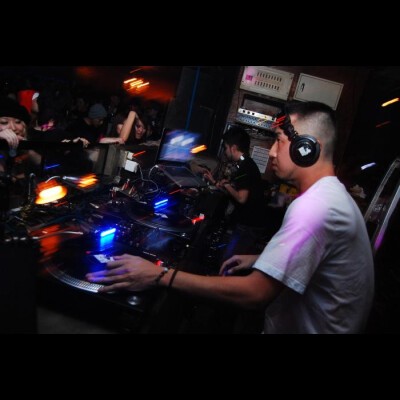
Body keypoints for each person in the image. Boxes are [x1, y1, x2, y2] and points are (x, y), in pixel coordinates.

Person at [86, 101, 375, 334]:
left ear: (306, 148)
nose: (272, 152)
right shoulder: (331, 197)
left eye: (278, 141)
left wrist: (159, 275)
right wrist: (263, 259)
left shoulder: (315, 207)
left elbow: (254, 294)